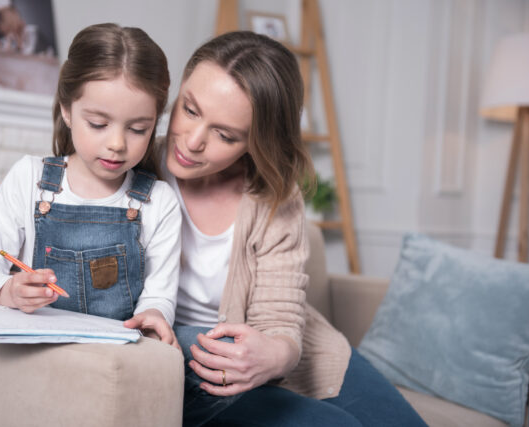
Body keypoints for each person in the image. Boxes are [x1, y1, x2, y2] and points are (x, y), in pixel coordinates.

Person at [161, 31, 428, 426]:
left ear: (255, 142)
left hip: (297, 353)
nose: (193, 140)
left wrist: (276, 354)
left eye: (225, 134)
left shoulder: (275, 195)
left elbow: (281, 319)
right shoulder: (132, 162)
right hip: (203, 365)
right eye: (190, 109)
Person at [0, 23, 180, 346]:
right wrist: (9, 291)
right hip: (36, 353)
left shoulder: (159, 202)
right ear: (67, 109)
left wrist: (154, 315)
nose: (117, 143)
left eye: (137, 129)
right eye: (98, 124)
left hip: (111, 360)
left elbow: (159, 297)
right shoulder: (29, 178)